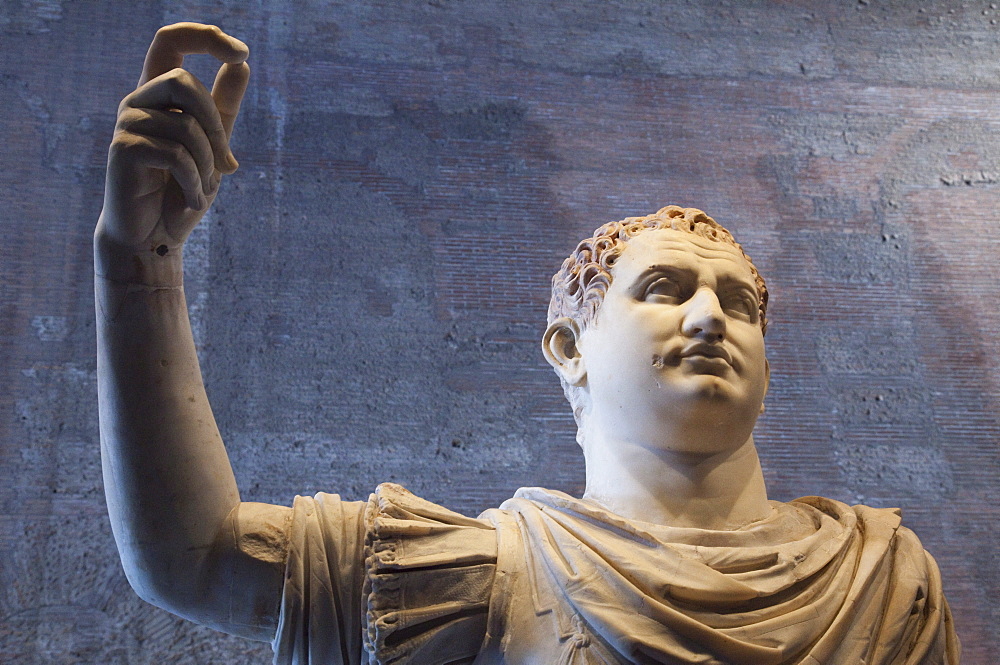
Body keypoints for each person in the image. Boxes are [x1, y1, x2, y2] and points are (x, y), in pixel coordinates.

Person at [95, 23, 960, 665]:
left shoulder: (883, 580)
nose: (709, 318)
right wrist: (140, 261)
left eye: (740, 304)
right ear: (569, 348)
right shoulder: (478, 577)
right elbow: (195, 556)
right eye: (666, 291)